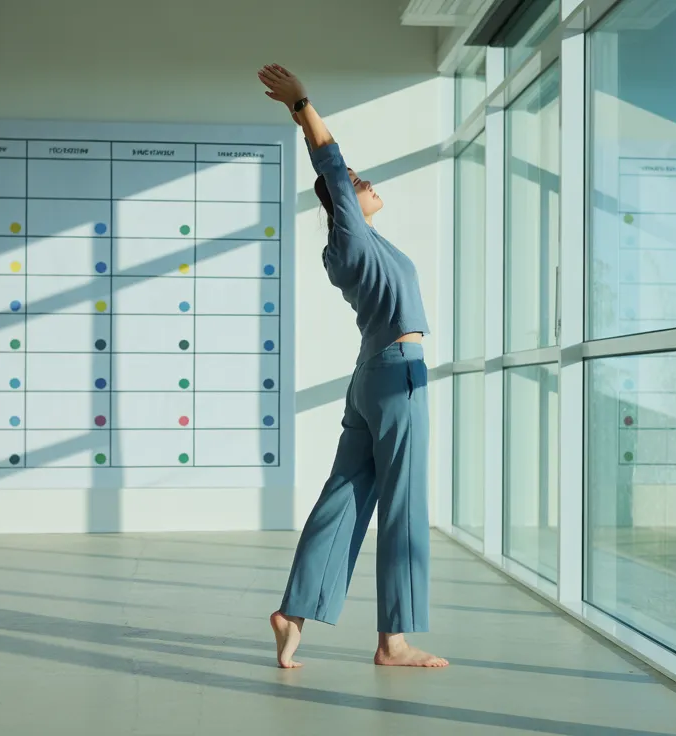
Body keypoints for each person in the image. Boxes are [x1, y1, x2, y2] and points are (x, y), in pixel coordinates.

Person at [257, 63, 447, 670]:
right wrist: (302, 105)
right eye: (361, 184)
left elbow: (340, 177)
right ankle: (394, 641)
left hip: (371, 377)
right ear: (346, 203)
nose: (368, 185)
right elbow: (333, 167)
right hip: (397, 376)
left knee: (345, 497)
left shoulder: (354, 248)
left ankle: (294, 613)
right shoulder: (353, 237)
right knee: (403, 505)